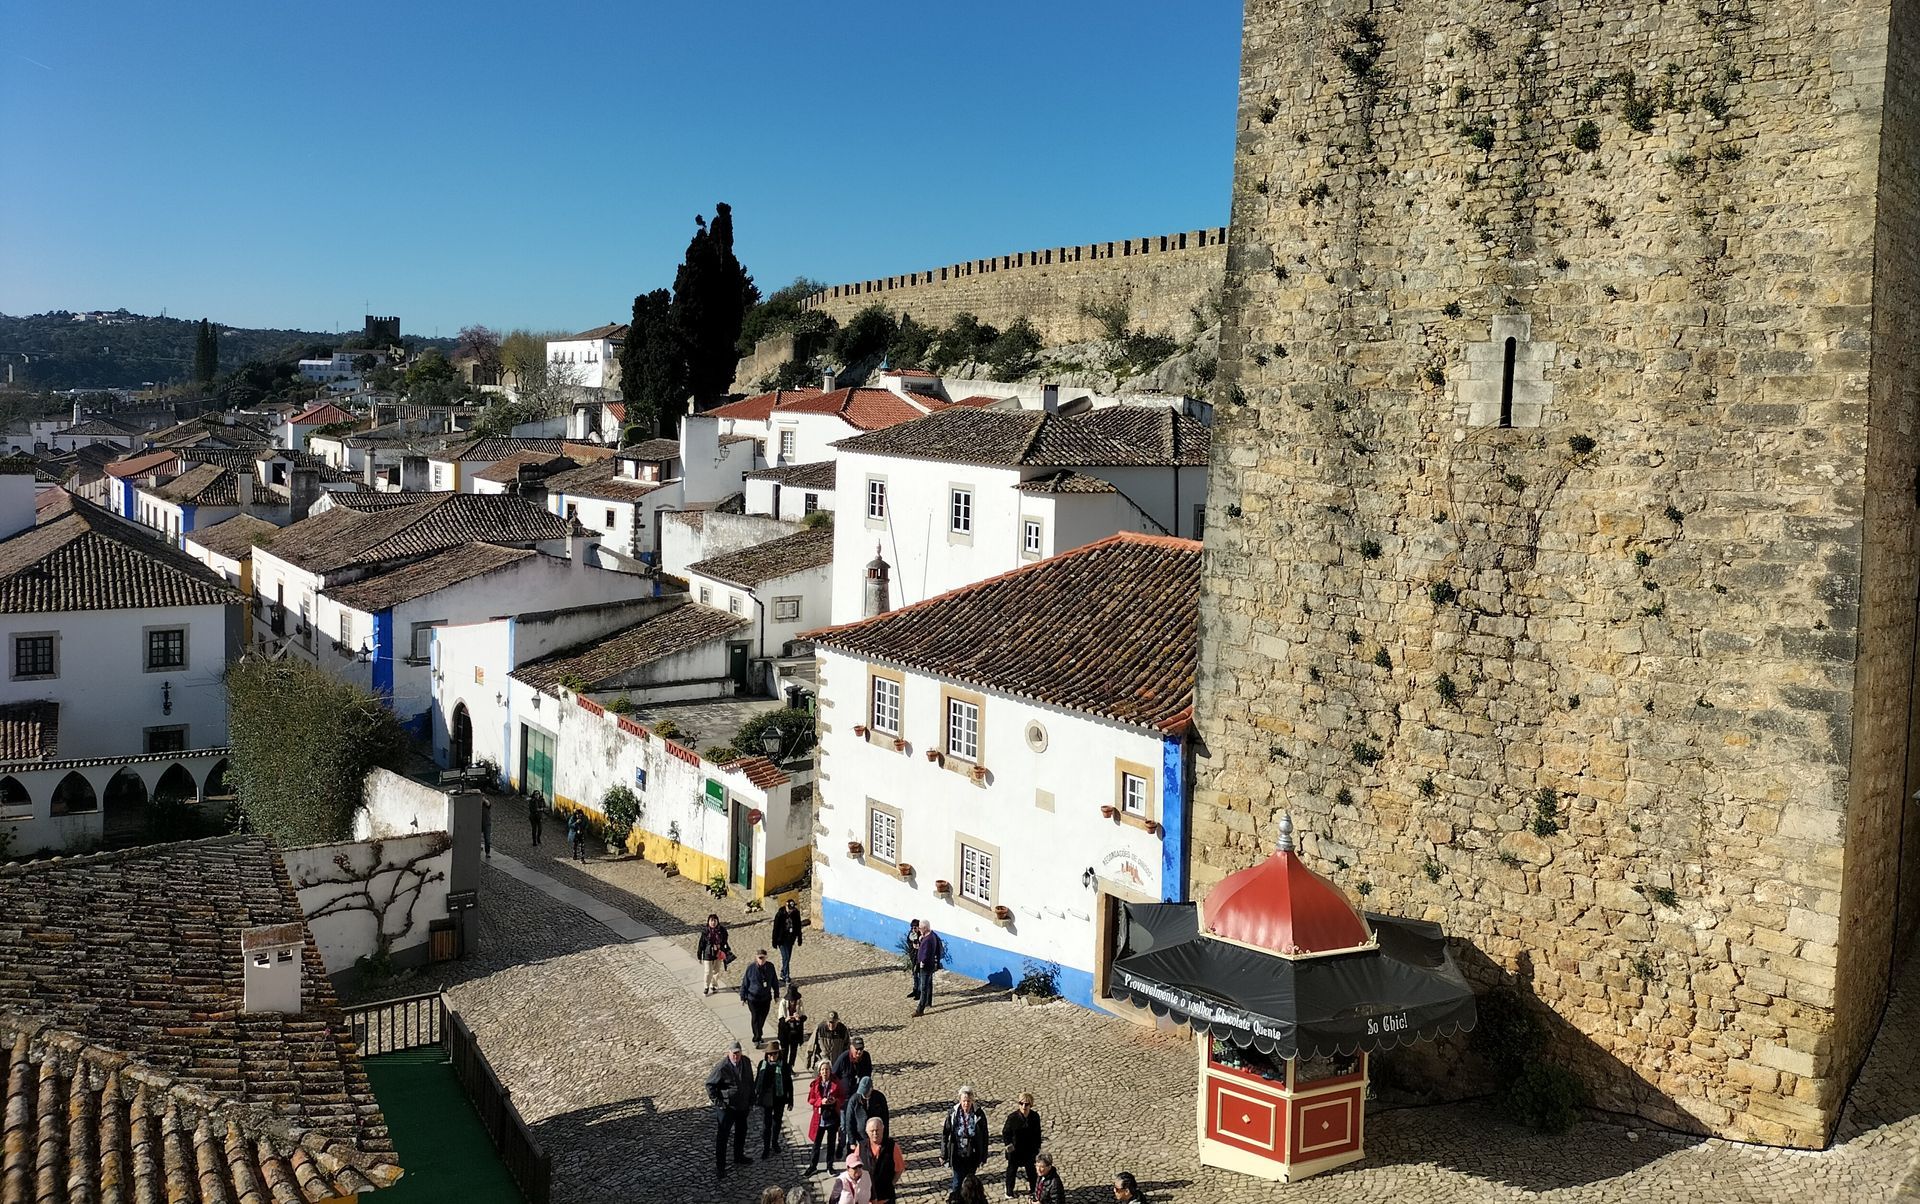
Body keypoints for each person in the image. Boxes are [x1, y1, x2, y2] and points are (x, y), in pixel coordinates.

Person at [705, 1041, 756, 1178]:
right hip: (727, 1108)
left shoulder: (745, 1062)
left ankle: (738, 1156)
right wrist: (719, 1103)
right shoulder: (722, 1067)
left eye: (738, 1053)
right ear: (729, 1053)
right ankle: (720, 1166)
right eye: (734, 1053)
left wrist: (751, 1100)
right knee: (723, 1137)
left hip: (742, 1106)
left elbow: (750, 1081)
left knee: (741, 1131)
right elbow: (710, 1085)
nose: (736, 1056)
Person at [940, 1086, 990, 1201]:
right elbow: (945, 1134)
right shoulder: (953, 1114)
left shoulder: (979, 1114)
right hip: (957, 1154)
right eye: (964, 1101)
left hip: (972, 1155)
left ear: (972, 1101)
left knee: (970, 1183)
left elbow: (985, 1136)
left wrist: (983, 1155)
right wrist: (944, 1154)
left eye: (968, 1101)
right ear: (960, 1101)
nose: (966, 1104)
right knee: (957, 1182)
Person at [802, 1061, 846, 1177]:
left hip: (832, 1117)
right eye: (822, 1070)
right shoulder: (816, 1084)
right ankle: (813, 1166)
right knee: (817, 1144)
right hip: (820, 1118)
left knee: (831, 1143)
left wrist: (835, 1101)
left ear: (830, 1071)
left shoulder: (836, 1082)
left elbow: (842, 1097)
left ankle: (830, 1166)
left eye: (827, 1070)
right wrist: (820, 1102)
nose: (825, 1072)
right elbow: (811, 1099)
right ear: (819, 1072)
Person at [854, 1116, 906, 1204]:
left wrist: (890, 1184)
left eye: (877, 1130)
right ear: (867, 1132)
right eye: (872, 1131)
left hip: (885, 1197)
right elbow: (853, 1167)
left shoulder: (892, 1146)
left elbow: (899, 1169)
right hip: (866, 1198)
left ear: (883, 1129)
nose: (875, 1133)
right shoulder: (861, 1147)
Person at [755, 1040, 794, 1157]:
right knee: (766, 1125)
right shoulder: (763, 1064)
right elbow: (758, 1080)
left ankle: (775, 1142)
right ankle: (766, 1147)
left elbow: (789, 1084)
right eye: (770, 1054)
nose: (772, 1056)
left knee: (777, 1123)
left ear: (778, 1054)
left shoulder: (785, 1066)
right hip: (766, 1099)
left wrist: (790, 1100)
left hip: (779, 1098)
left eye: (775, 1054)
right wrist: (755, 1094)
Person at [1001, 1092, 1042, 1199]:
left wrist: (1037, 1148)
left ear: (1030, 1105)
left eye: (1027, 1104)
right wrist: (1009, 1147)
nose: (1024, 1106)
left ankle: (1034, 1190)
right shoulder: (1012, 1117)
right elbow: (1006, 1132)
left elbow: (1037, 1133)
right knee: (1012, 1171)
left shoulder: (1034, 1117)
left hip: (1029, 1150)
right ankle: (1009, 1191)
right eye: (1021, 1103)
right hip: (1015, 1150)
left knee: (1031, 1171)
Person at [840, 1074, 890, 1159]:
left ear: (871, 1089)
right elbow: (849, 1121)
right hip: (860, 1137)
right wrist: (852, 1141)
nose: (863, 1095)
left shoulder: (879, 1098)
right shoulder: (854, 1100)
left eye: (865, 1092)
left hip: (875, 1137)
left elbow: (885, 1119)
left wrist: (884, 1137)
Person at [740, 949, 781, 1046]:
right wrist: (743, 996)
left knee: (762, 1018)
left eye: (763, 958)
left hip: (765, 998)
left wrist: (776, 994)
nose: (762, 960)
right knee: (755, 1017)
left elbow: (774, 981)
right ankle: (756, 1038)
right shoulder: (751, 968)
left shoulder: (770, 967)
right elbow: (745, 983)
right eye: (760, 958)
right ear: (756, 958)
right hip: (753, 998)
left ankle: (759, 1033)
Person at [772, 896, 807, 982]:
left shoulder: (796, 913)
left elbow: (798, 926)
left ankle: (783, 973)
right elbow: (775, 928)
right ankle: (786, 976)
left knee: (788, 958)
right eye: (790, 908)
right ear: (786, 906)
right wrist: (774, 941)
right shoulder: (780, 914)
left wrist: (799, 938)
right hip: (781, 939)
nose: (791, 910)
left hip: (790, 939)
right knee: (786, 957)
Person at [913, 923, 944, 1017]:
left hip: (925, 966)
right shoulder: (932, 935)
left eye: (921, 928)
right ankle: (928, 1002)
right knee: (929, 983)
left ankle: (920, 1009)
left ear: (925, 928)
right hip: (930, 965)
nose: (919, 930)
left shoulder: (928, 940)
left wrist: (922, 962)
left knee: (923, 987)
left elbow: (926, 953)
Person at [697, 913, 733, 996]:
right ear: (708, 922)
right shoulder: (705, 931)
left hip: (718, 953)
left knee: (716, 971)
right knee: (708, 971)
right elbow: (701, 944)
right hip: (708, 953)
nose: (713, 922)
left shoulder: (722, 930)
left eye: (715, 920)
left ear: (717, 921)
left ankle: (713, 985)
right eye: (711, 921)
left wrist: (720, 945)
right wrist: (699, 956)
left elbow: (725, 940)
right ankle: (706, 987)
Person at [831, 1035, 873, 1102]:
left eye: (861, 1049)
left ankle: (858, 1102)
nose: (859, 1052)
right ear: (851, 1048)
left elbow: (868, 1075)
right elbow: (833, 1075)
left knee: (866, 1080)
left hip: (860, 1090)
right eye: (857, 1049)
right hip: (845, 1093)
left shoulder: (866, 1057)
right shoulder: (843, 1058)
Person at [777, 997, 808, 1070]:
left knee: (793, 1052)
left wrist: (798, 1019)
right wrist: (786, 1020)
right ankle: (784, 1067)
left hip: (795, 1033)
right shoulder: (783, 1003)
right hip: (785, 1033)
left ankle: (790, 1067)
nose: (793, 1003)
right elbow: (781, 1020)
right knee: (784, 1052)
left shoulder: (799, 1002)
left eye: (794, 1001)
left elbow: (804, 1017)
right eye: (791, 1001)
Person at [904, 919, 923, 999]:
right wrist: (912, 944)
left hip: (919, 957)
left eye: (915, 928)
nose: (913, 929)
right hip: (913, 956)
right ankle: (915, 990)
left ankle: (919, 991)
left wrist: (919, 945)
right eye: (912, 928)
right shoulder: (911, 934)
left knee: (919, 974)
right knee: (914, 973)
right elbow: (908, 942)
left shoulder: (921, 935)